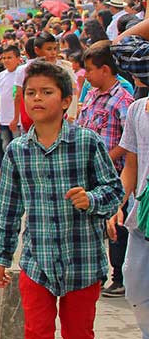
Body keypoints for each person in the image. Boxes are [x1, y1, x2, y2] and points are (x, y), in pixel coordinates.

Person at [0, 61, 123, 339]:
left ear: (65, 101)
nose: (37, 98)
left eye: (46, 92)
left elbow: (114, 192)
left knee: (79, 332)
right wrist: (1, 256)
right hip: (37, 263)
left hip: (83, 263)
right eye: (30, 92)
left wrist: (91, 199)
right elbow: (8, 209)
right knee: (36, 331)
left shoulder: (88, 142)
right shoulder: (17, 151)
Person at [76, 40, 133, 299]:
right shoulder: (92, 94)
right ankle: (95, 274)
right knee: (94, 227)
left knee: (115, 228)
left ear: (106, 70)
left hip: (114, 175)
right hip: (88, 175)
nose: (86, 75)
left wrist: (105, 158)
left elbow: (128, 141)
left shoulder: (123, 100)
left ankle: (118, 277)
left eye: (90, 70)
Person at [109, 92, 149, 337]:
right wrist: (117, 205)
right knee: (134, 286)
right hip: (142, 218)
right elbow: (131, 166)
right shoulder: (137, 110)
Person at [0, 45, 24, 166]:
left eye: (9, 57)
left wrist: (16, 118)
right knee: (5, 147)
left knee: (18, 149)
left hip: (17, 120)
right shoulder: (1, 75)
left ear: (18, 59)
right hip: (3, 119)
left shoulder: (21, 73)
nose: (6, 60)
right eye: (4, 58)